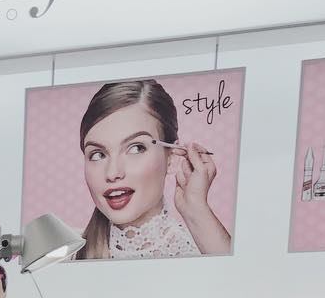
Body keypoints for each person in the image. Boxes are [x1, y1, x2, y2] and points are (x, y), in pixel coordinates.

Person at [74, 79, 231, 260]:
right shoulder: (64, 253)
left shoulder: (199, 251)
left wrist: (196, 209)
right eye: (98, 154)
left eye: (136, 148)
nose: (112, 173)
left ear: (171, 158)